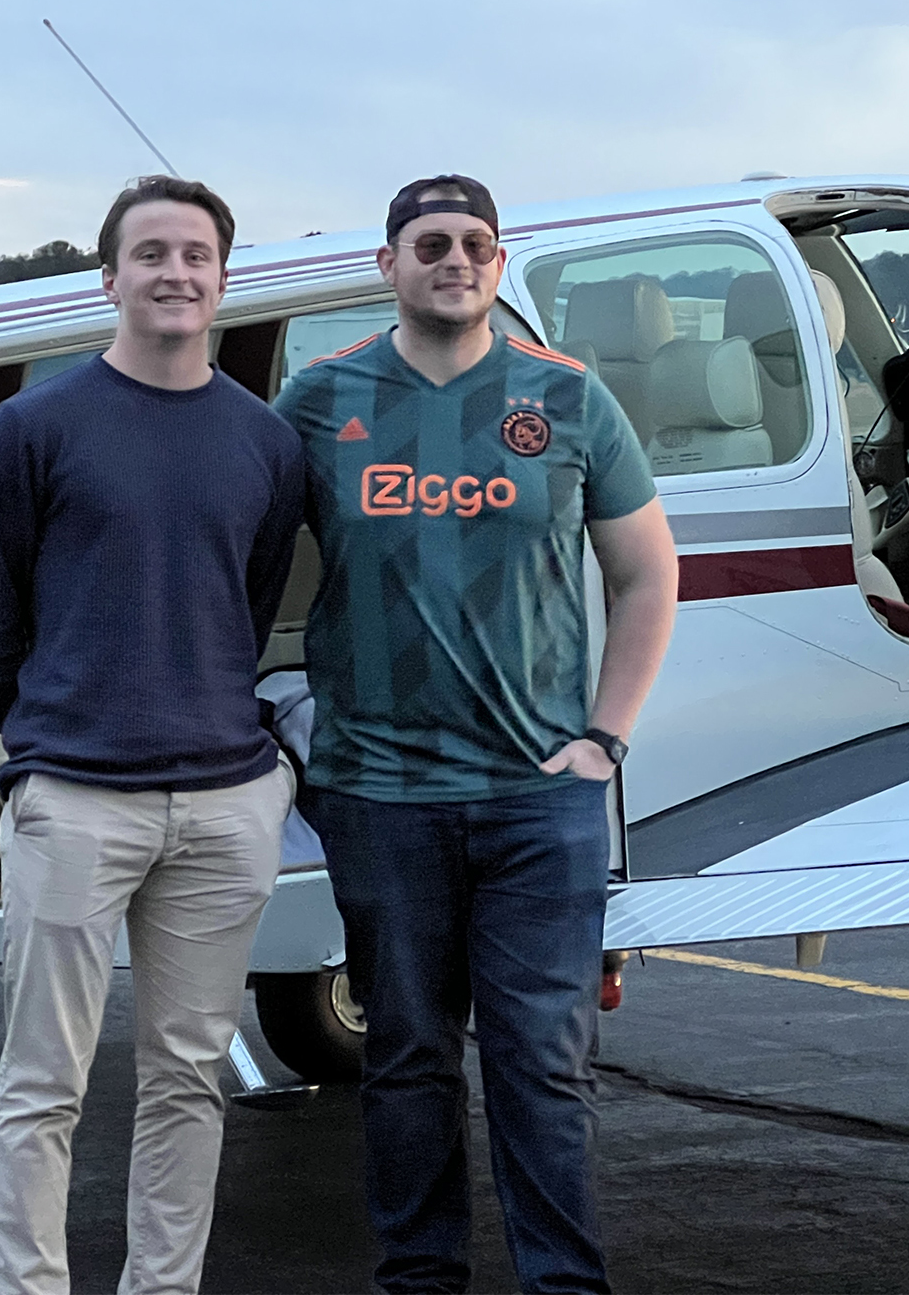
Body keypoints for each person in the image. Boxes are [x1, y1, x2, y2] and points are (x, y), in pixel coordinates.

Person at [275, 175, 680, 1294]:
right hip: (376, 792)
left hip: (536, 794)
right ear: (387, 263)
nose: (453, 258)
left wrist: (603, 737)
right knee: (404, 1061)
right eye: (428, 242)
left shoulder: (566, 398)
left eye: (474, 244)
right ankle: (420, 1278)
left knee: (542, 1066)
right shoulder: (318, 400)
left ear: (498, 267)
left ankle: (564, 1284)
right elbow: (232, 557)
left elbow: (647, 575)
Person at [0, 175, 305, 1295]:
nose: (174, 273)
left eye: (195, 255)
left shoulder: (263, 442)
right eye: (150, 254)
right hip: (74, 800)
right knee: (41, 1082)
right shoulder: (34, 426)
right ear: (110, 278)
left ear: (221, 281)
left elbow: (244, 604)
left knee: (187, 1078)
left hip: (223, 801)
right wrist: (46, 739)